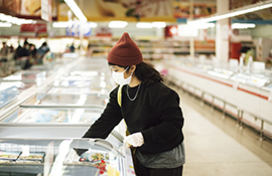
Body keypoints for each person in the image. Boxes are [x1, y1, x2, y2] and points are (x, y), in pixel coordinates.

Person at [76, 32, 185, 176]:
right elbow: (105, 122)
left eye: (116, 70)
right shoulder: (120, 93)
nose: (114, 74)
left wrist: (143, 136)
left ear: (132, 68)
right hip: (141, 155)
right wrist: (79, 148)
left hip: (165, 157)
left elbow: (174, 125)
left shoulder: (160, 93)